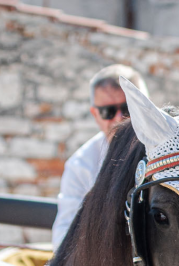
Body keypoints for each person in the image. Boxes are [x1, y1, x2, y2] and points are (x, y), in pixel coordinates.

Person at [52, 64, 149, 249]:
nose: (120, 118)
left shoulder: (170, 153)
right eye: (108, 111)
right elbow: (64, 238)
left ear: (145, 106)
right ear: (95, 114)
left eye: (128, 108)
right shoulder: (80, 165)